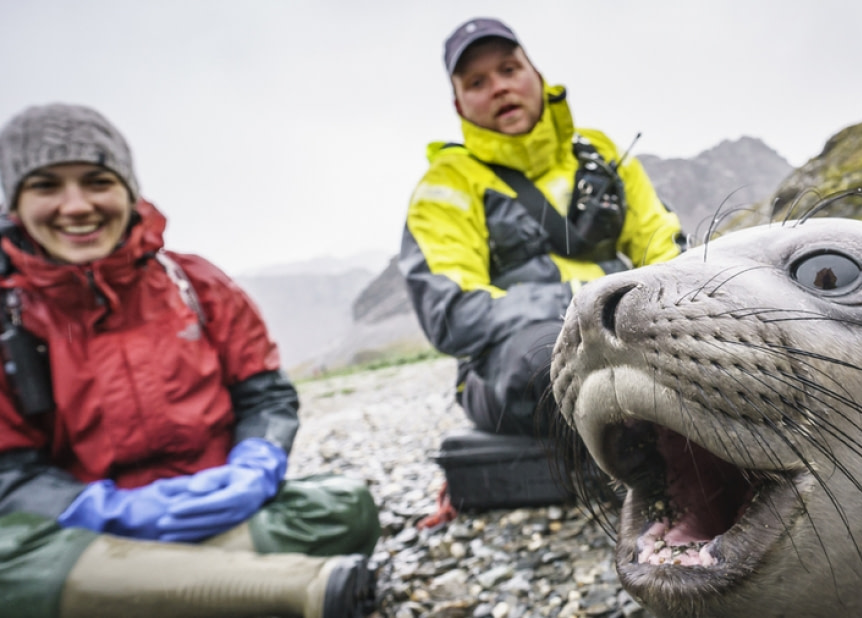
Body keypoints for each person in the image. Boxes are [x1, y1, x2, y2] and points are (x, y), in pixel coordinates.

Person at [0, 103, 380, 618]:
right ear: (15, 204)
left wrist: (255, 466)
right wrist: (107, 511)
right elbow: (9, 474)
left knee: (343, 507)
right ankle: (292, 589)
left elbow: (264, 394)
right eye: (46, 186)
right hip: (82, 536)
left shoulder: (196, 284)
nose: (76, 206)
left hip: (219, 515)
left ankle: (136, 593)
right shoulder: (9, 316)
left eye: (96, 181)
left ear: (128, 191)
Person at [399, 17, 686, 438]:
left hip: (619, 322)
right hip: (507, 362)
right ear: (460, 105)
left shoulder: (600, 151)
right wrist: (586, 305)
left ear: (537, 75)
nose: (499, 87)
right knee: (551, 361)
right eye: (477, 82)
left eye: (509, 70)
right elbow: (452, 312)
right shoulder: (444, 186)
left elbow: (661, 241)